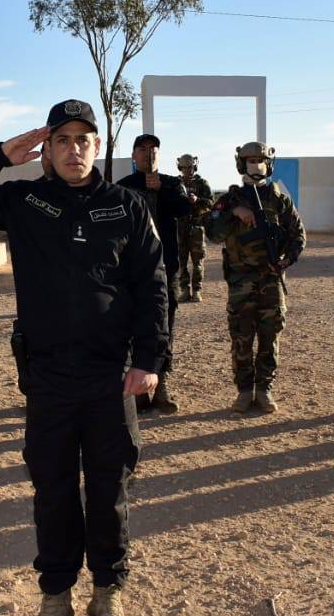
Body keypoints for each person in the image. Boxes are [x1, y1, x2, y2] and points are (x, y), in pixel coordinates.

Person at [0, 100, 167, 616]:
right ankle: (56, 592)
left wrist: (149, 359)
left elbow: (152, 286)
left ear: (97, 146)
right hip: (48, 376)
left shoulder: (127, 206)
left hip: (111, 376)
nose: (73, 150)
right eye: (62, 139)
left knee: (109, 489)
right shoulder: (25, 200)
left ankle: (108, 590)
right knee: (53, 489)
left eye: (83, 139)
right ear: (47, 148)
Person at [205, 141, 305, 414]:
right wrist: (233, 213)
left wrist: (287, 259)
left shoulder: (279, 199)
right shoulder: (230, 199)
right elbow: (213, 234)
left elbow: (298, 235)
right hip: (241, 281)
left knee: (270, 337)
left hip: (271, 279)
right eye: (250, 160)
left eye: (260, 160)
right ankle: (244, 390)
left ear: (269, 164)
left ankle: (264, 389)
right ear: (241, 164)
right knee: (242, 336)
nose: (256, 165)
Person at [118, 133, 191, 414]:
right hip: (130, 269)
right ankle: (136, 389)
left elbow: (185, 209)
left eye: (153, 149)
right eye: (142, 149)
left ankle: (161, 384)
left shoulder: (172, 184)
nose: (148, 153)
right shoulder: (124, 186)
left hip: (165, 268)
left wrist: (163, 189)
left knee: (164, 325)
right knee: (130, 324)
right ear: (133, 155)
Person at [174, 153, 214, 303]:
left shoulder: (202, 183)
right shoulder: (175, 184)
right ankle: (185, 290)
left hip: (196, 227)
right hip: (180, 228)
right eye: (184, 168)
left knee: (198, 261)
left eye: (190, 167)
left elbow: (211, 203)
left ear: (194, 167)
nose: (188, 170)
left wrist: (197, 200)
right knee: (181, 261)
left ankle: (197, 290)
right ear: (180, 167)